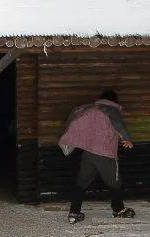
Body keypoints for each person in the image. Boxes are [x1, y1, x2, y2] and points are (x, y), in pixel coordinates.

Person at [58, 89, 136, 223]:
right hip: (105, 153)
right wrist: (126, 138)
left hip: (88, 152)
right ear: (114, 101)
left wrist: (69, 138)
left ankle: (74, 212)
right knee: (115, 182)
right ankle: (118, 209)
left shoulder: (88, 109)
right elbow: (118, 124)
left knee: (82, 181)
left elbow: (74, 118)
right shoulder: (111, 110)